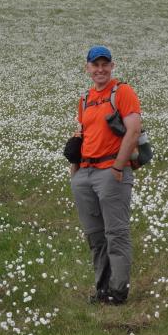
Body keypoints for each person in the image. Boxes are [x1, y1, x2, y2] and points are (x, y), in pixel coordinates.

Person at [69, 45, 142, 305]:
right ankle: (102, 289)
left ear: (112, 66)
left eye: (104, 64)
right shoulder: (86, 98)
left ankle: (118, 291)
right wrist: (74, 171)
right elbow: (82, 134)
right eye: (95, 65)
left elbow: (133, 130)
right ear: (88, 68)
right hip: (85, 174)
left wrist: (118, 167)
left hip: (111, 172)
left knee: (116, 234)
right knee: (95, 236)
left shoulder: (122, 92)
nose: (100, 69)